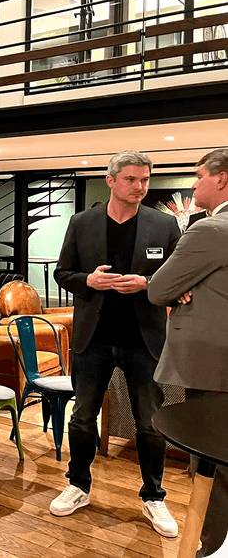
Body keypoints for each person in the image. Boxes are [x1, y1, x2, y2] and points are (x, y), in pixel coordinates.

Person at [52, 150, 181, 538]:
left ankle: (153, 496)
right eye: (131, 179)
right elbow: (63, 273)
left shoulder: (164, 225)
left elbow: (177, 277)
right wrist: (88, 281)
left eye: (145, 179)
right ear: (110, 181)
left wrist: (147, 283)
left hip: (144, 339)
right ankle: (78, 485)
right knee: (82, 417)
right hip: (93, 339)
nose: (140, 186)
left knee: (150, 424)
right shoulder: (82, 222)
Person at [148, 147, 228, 557]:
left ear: (222, 178)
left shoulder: (210, 229)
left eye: (199, 176)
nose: (193, 185)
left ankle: (213, 549)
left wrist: (180, 285)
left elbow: (159, 288)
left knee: (214, 466)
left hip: (214, 365)